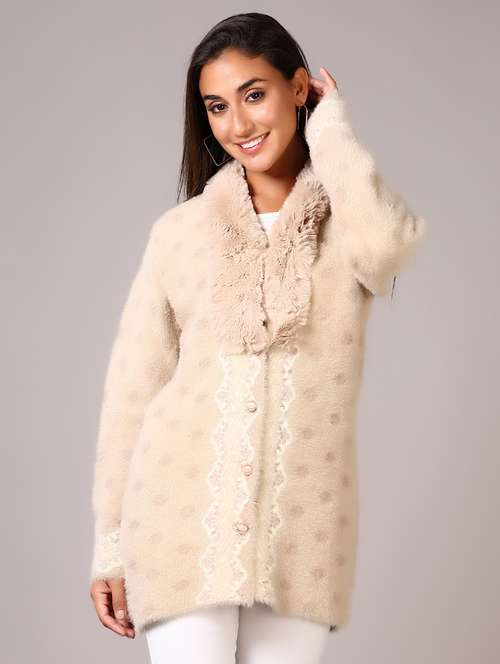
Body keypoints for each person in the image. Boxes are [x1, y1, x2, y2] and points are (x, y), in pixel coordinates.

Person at [89, 12, 426, 663]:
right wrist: (109, 545)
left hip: (302, 536)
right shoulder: (178, 234)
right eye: (217, 106)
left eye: (254, 94)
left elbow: (388, 250)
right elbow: (133, 393)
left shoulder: (349, 222)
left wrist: (331, 132)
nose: (238, 125)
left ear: (298, 88)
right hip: (178, 523)